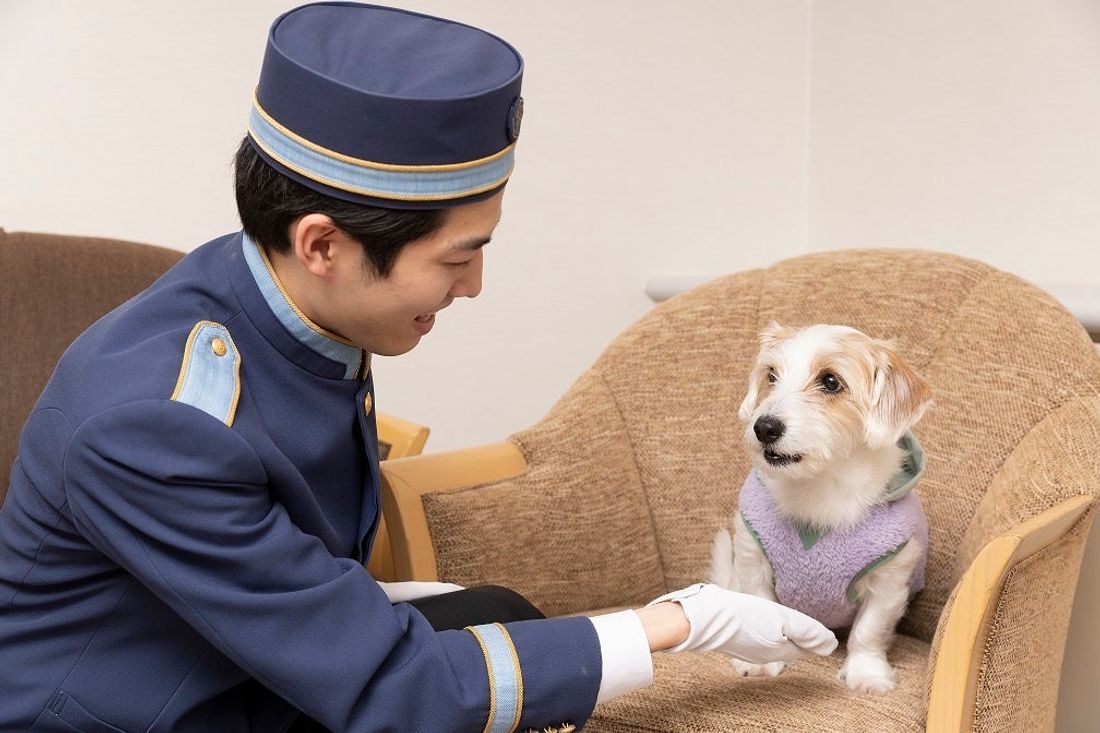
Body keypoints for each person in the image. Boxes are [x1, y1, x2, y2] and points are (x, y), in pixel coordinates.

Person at [0, 3, 837, 732]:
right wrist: (676, 623)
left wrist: (388, 610)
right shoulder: (158, 425)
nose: (473, 285)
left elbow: (284, 555)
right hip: (145, 711)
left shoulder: (276, 296)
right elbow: (389, 689)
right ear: (322, 243)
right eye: (456, 257)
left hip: (233, 652)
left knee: (500, 615)